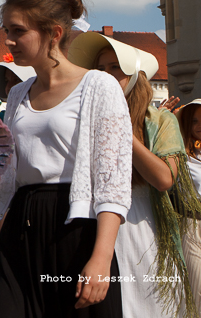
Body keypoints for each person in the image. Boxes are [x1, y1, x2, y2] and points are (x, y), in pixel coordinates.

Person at [0, 0, 133, 317]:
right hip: (20, 228)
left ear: (54, 33)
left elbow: (112, 182)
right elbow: (6, 184)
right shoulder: (17, 94)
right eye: (7, 31)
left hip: (75, 228)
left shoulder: (98, 85)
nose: (8, 40)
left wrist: (101, 258)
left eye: (18, 31)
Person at [69, 34, 201, 317]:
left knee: (148, 304)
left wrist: (122, 131)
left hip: (144, 225)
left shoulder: (159, 119)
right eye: (100, 68)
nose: (106, 74)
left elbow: (165, 179)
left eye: (115, 67)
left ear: (134, 75)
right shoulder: (82, 117)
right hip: (93, 222)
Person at [177, 100, 201, 298]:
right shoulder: (181, 156)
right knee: (197, 287)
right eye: (194, 121)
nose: (199, 125)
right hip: (192, 225)